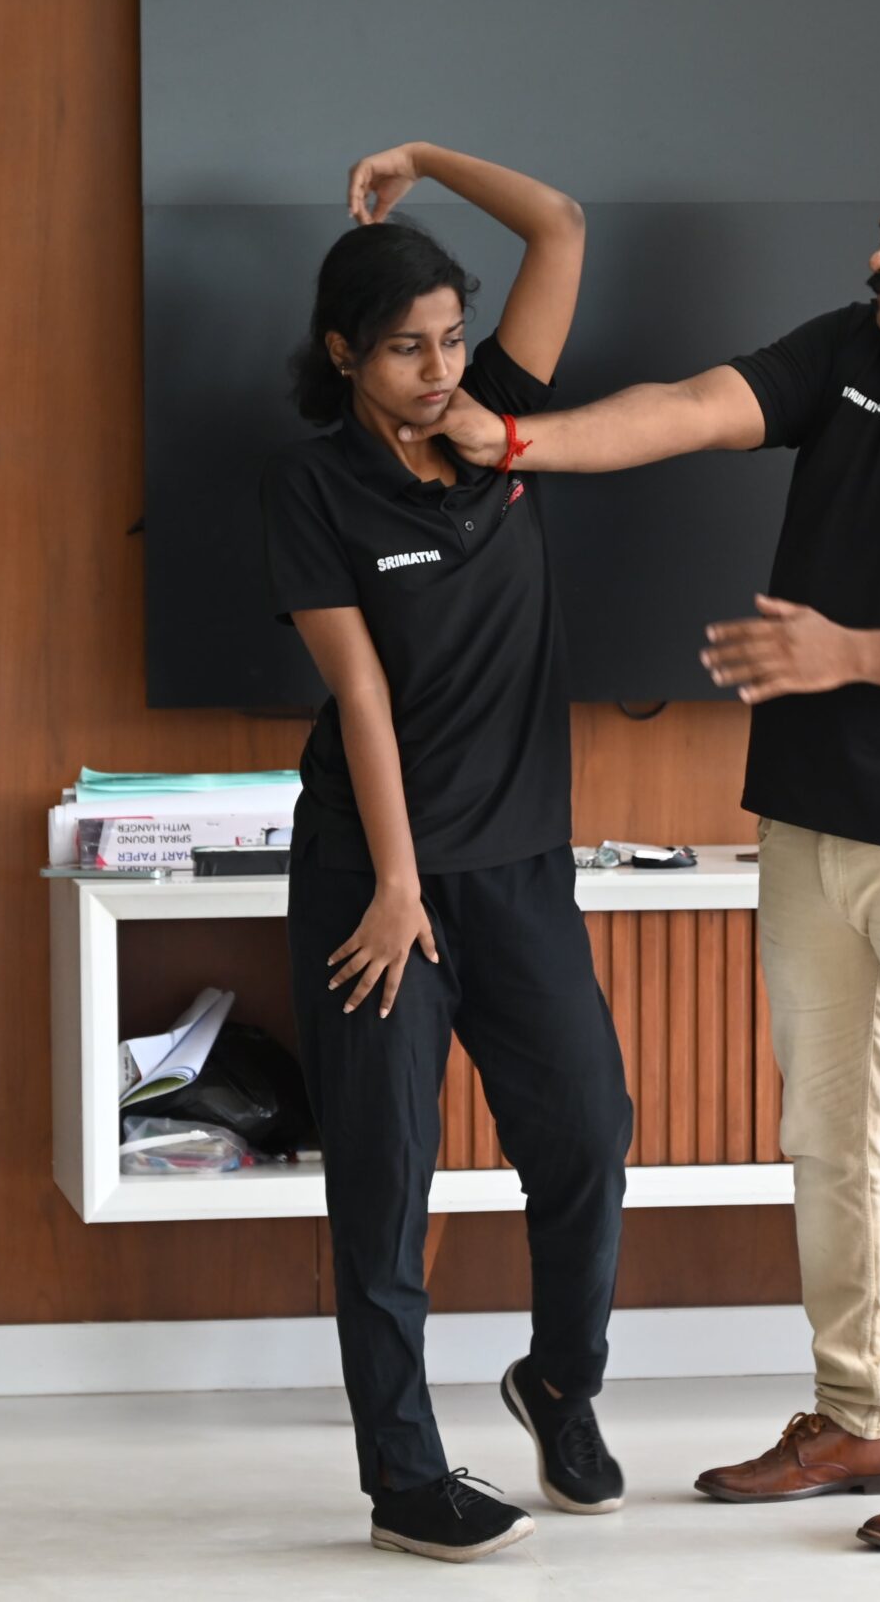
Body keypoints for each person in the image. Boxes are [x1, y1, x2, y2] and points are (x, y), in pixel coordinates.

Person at [404, 153, 880, 1553]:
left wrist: (846, 653)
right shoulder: (854, 356)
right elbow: (692, 406)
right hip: (805, 823)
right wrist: (516, 443)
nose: (879, 261)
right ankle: (860, 1413)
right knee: (828, 1133)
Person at [259, 142, 635, 1564]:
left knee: (587, 1133)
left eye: (453, 337)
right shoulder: (311, 490)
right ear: (344, 354)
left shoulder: (502, 425)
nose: (439, 369)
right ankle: (405, 1478)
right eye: (407, 347)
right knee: (386, 1173)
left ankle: (562, 1384)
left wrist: (421, 157)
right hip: (377, 881)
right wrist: (397, 886)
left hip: (521, 869)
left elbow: (564, 223)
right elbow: (361, 696)